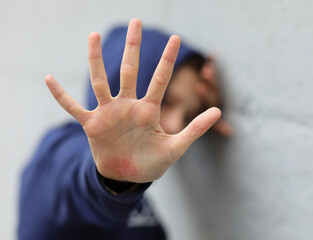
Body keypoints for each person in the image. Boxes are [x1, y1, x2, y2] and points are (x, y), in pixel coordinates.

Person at [18, 19, 231, 240]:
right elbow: (78, 186)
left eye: (187, 117)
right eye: (166, 102)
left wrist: (205, 112)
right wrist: (114, 180)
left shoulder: (137, 189)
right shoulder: (57, 154)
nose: (176, 126)